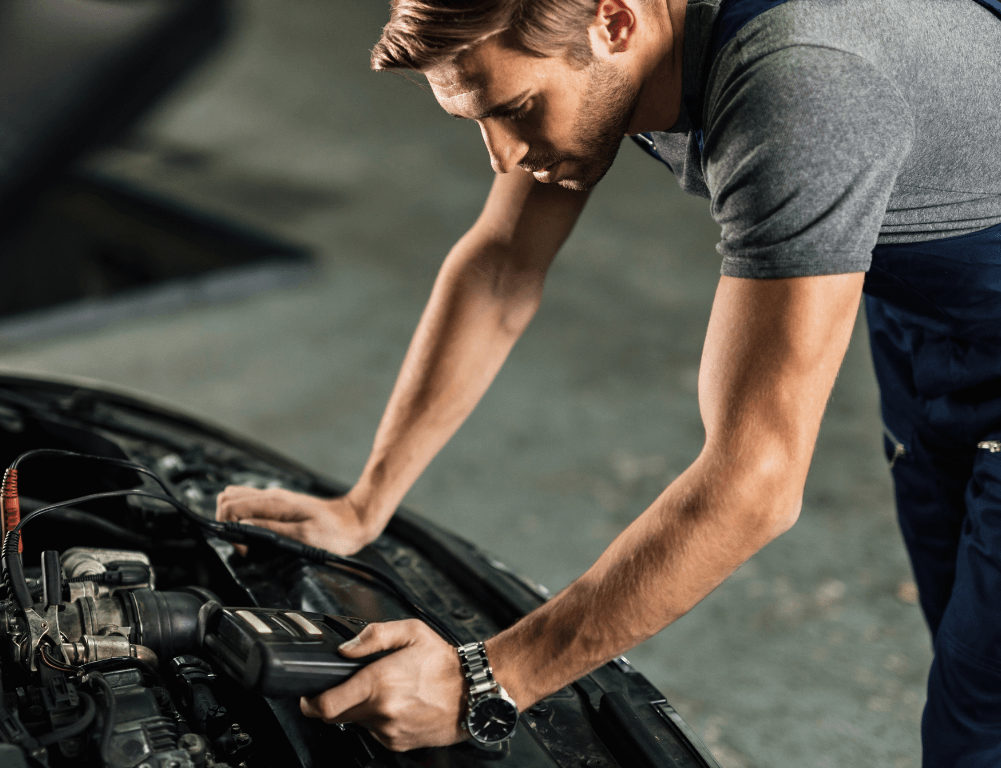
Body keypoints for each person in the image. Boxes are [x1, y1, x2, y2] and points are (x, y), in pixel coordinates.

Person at [216, 0, 1001, 763]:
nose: (505, 156)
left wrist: (486, 681)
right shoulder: (607, 37)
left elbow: (754, 481)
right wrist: (365, 502)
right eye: (481, 119)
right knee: (963, 634)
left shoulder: (802, 92)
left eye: (519, 108)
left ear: (614, 20)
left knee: (980, 724)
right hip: (931, 316)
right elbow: (501, 265)